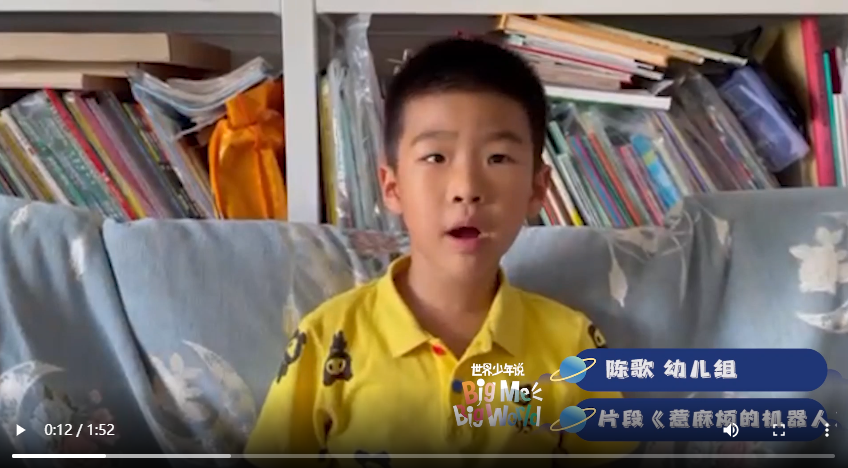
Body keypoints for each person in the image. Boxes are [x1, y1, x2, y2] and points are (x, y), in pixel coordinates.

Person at [246, 37, 637, 468]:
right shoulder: (325, 339)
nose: (466, 188)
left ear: (537, 188)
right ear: (392, 186)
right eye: (435, 157)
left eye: (498, 158)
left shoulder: (571, 344)